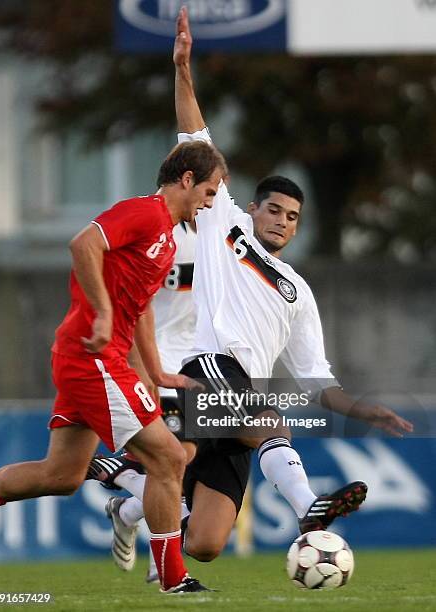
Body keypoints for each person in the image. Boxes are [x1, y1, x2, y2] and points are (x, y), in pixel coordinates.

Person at [170, 7, 414, 563]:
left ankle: (139, 504)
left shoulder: (298, 292)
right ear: (251, 208)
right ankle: (308, 508)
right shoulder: (223, 223)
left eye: (292, 216)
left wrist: (362, 409)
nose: (281, 220)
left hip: (238, 401)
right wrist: (184, 69)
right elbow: (194, 135)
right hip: (208, 368)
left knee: (204, 546)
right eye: (273, 209)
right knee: (270, 419)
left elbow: (318, 380)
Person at [0, 138, 227, 593]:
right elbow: (83, 244)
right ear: (186, 180)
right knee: (170, 456)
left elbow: (138, 310)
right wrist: (101, 311)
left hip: (98, 358)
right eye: (210, 192)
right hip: (91, 358)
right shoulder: (145, 213)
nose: (209, 204)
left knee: (60, 476)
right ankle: (173, 579)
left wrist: (155, 374)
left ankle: (163, 563)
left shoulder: (168, 236)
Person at [86, 221, 198, 583]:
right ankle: (162, 564)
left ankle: (129, 506)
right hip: (159, 361)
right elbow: (135, 303)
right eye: (211, 188)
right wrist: (141, 367)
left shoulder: (222, 233)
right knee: (169, 460)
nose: (214, 197)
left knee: (187, 458)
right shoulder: (157, 230)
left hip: (200, 363)